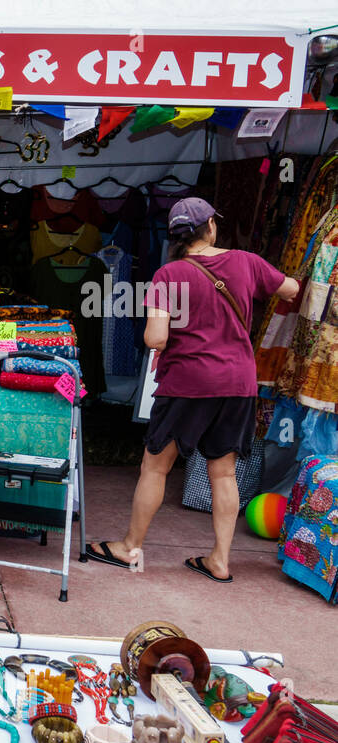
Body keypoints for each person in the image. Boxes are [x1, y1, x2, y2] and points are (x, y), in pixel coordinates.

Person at [87, 198, 301, 583]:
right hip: (237, 382)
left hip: (187, 382)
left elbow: (155, 337)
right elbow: (291, 289)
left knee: (156, 466)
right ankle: (220, 559)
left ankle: (130, 547)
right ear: (211, 227)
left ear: (176, 237)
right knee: (224, 472)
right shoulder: (247, 262)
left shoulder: (169, 275)